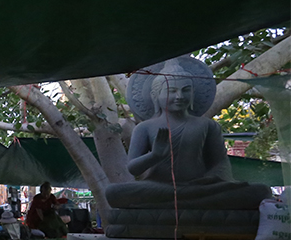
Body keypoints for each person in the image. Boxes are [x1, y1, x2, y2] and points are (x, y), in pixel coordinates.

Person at [106, 57, 270, 210]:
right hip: (159, 187)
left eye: (186, 90)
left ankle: (182, 201)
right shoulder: (145, 128)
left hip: (200, 186)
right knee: (113, 193)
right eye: (172, 91)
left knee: (261, 191)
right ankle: (190, 202)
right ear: (156, 95)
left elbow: (220, 163)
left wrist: (211, 178)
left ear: (193, 93)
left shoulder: (207, 125)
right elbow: (133, 168)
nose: (179, 96)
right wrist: (155, 155)